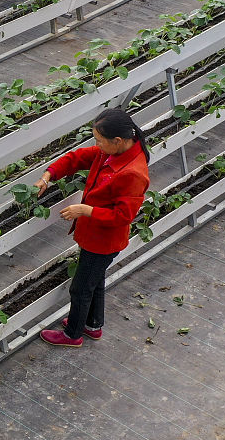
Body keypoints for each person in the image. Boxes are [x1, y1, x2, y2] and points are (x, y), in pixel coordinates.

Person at [36, 108, 150, 348]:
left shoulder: (133, 173)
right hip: (94, 235)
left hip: (103, 241)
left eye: (99, 140)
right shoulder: (110, 153)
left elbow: (124, 215)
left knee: (80, 289)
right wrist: (48, 175)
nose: (96, 145)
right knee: (94, 281)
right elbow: (76, 158)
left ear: (117, 141)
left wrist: (86, 210)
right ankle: (93, 325)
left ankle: (73, 334)